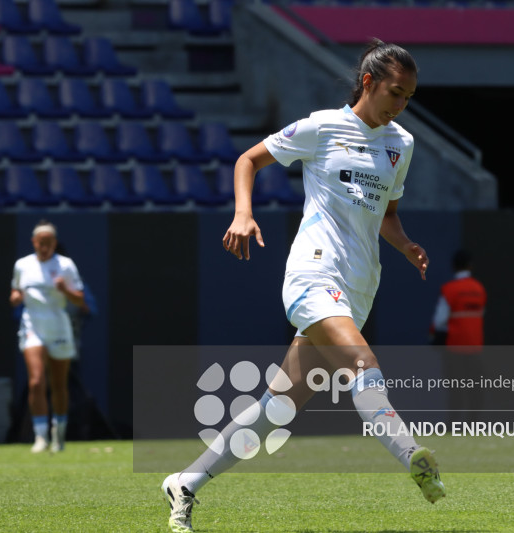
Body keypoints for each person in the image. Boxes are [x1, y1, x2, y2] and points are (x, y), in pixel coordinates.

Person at [161, 39, 445, 532]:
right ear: (368, 83)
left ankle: (184, 483)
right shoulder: (321, 126)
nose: (400, 106)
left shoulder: (402, 144)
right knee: (363, 364)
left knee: (277, 409)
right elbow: (247, 160)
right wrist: (243, 214)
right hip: (312, 274)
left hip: (359, 286)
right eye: (395, 93)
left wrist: (405, 245)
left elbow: (388, 213)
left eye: (409, 97)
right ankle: (412, 456)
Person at [10, 220, 85, 453]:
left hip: (58, 327)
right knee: (36, 381)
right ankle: (40, 436)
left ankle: (58, 433)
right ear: (34, 242)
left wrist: (65, 290)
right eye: (41, 242)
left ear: (54, 243)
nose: (45, 247)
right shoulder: (22, 265)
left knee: (59, 384)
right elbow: (16, 290)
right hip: (33, 325)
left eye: (49, 242)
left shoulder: (65, 265)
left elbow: (80, 300)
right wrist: (15, 297)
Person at [430, 249, 487, 424]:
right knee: (475, 388)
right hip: (475, 347)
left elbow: (440, 320)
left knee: (455, 389)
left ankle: (453, 424)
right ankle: (473, 424)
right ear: (470, 265)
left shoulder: (449, 289)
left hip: (454, 348)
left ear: (453, 266)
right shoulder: (479, 289)